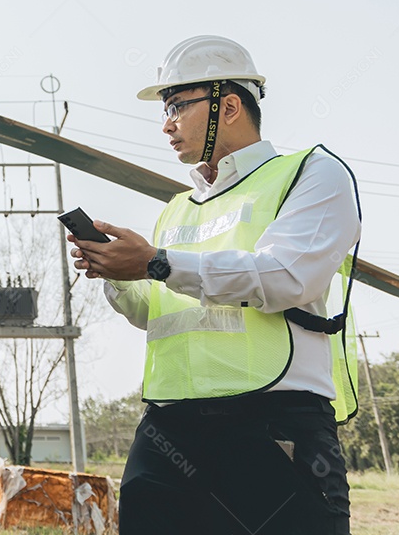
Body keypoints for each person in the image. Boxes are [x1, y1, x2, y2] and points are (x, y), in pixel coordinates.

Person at [68, 35, 360, 535]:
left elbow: (286, 276)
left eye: (176, 106)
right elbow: (155, 308)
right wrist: (116, 273)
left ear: (228, 106)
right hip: (168, 429)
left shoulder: (311, 174)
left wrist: (156, 262)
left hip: (272, 420)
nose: (166, 124)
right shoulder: (176, 210)